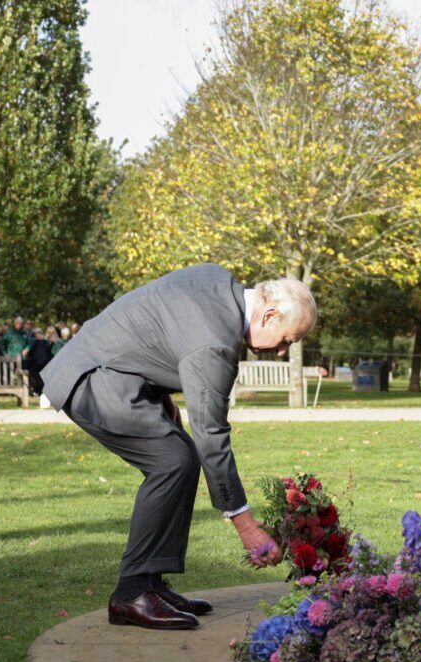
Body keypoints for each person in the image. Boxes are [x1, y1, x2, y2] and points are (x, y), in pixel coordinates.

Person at [43, 264, 313, 630]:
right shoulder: (217, 344)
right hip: (92, 380)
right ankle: (131, 594)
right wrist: (246, 525)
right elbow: (212, 437)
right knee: (173, 461)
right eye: (287, 340)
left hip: (108, 367)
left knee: (179, 458)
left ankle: (150, 584)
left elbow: (161, 325)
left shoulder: (217, 280)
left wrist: (159, 396)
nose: (282, 351)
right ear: (268, 315)